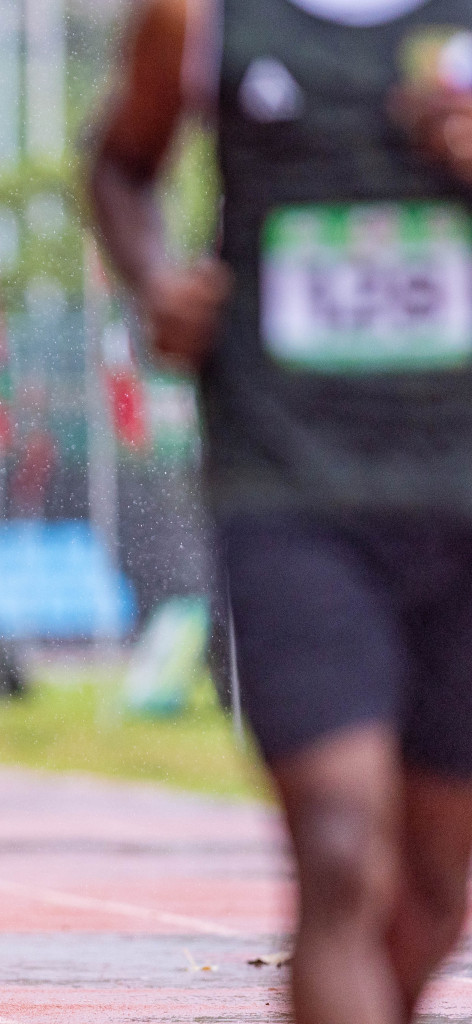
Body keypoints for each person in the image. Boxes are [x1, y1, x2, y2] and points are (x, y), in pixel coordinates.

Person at [90, 2, 472, 1020]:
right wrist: (157, 280)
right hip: (290, 488)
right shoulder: (201, 18)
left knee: (433, 893)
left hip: (460, 490)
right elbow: (122, 164)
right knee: (342, 848)